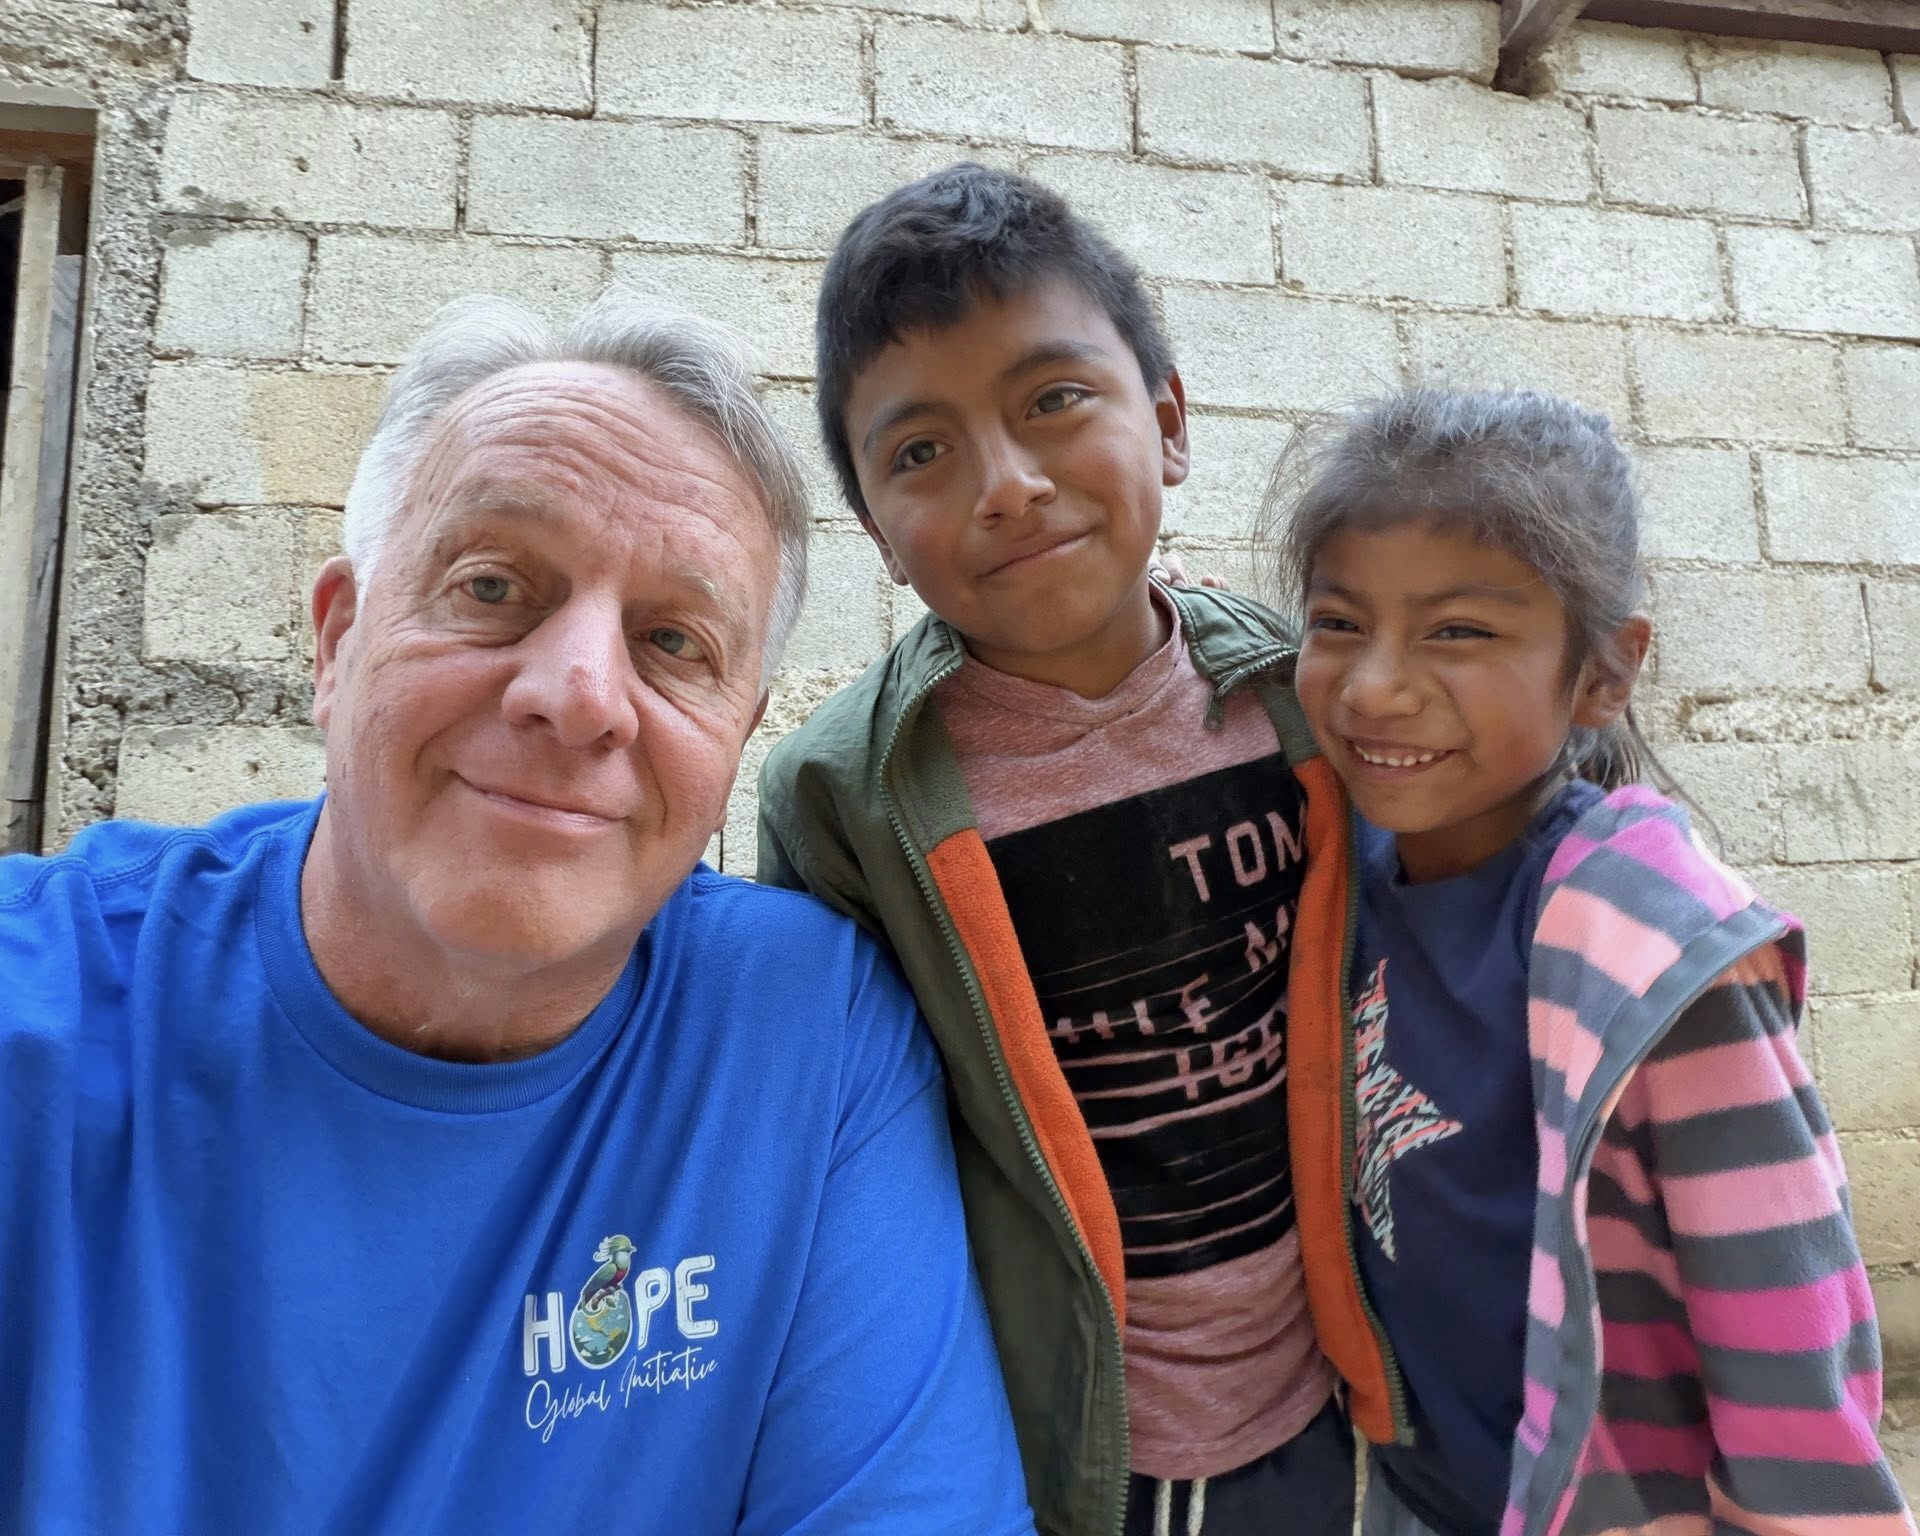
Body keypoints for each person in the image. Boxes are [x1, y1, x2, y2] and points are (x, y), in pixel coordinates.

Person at [0, 290, 1036, 1535]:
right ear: (336, 647)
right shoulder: (37, 1011)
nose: (582, 695)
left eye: (674, 641)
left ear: (734, 744)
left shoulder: (810, 1044)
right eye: (493, 586)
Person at [757, 164, 1361, 1536]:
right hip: (1063, 1452)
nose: (1009, 486)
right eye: (921, 452)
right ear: (877, 537)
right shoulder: (843, 803)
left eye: (1054, 402)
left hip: (1353, 1395)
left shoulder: (1304, 705)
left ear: (1169, 422)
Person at [1259, 385, 1916, 1535]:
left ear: (1605, 673)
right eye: (1339, 623)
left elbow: (1790, 1348)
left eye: (1458, 631)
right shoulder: (1333, 880)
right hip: (1418, 1497)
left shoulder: (1666, 961)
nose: (1373, 686)